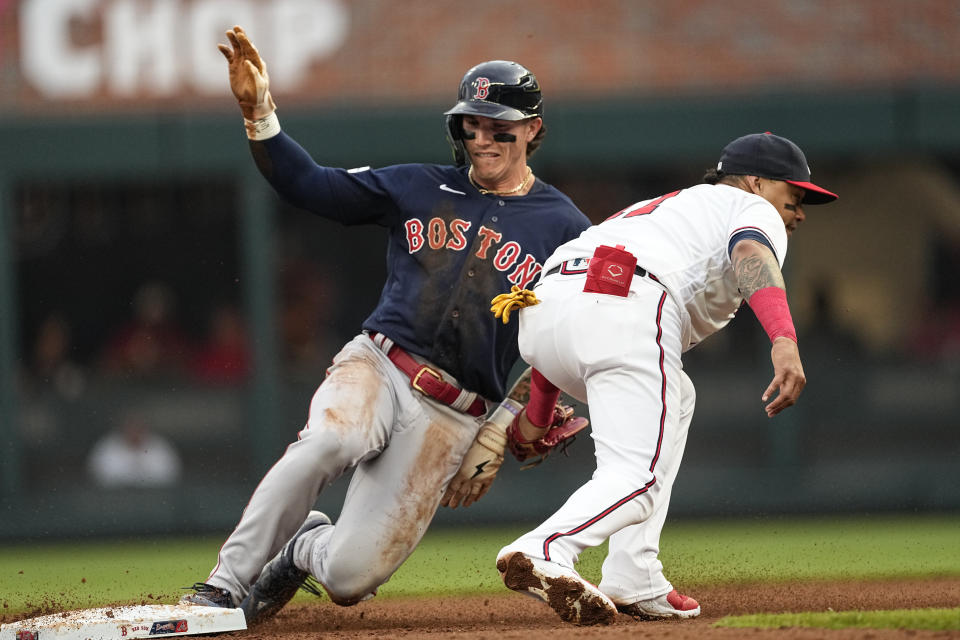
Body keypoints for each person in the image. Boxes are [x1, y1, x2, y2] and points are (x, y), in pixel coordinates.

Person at [180, 25, 594, 623]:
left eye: (498, 124)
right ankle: (224, 584)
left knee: (350, 576)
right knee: (327, 440)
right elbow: (311, 185)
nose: (481, 136)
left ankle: (301, 548)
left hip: (456, 415)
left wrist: (503, 426)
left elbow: (566, 340)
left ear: (533, 129)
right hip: (379, 364)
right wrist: (259, 112)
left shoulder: (565, 228)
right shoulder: (420, 185)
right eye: (470, 123)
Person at [493, 132, 838, 625]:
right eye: (795, 196)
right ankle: (546, 548)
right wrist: (783, 339)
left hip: (547, 306)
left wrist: (537, 417)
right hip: (623, 300)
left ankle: (634, 575)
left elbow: (577, 305)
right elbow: (751, 256)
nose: (799, 212)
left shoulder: (661, 211)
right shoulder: (749, 207)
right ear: (758, 182)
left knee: (679, 396)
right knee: (638, 476)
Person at [87, 412, 183, 488]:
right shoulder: (107, 446)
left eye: (138, 426)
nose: (134, 430)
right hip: (116, 501)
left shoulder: (160, 446)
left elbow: (169, 474)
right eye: (131, 426)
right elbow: (99, 476)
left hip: (153, 499)